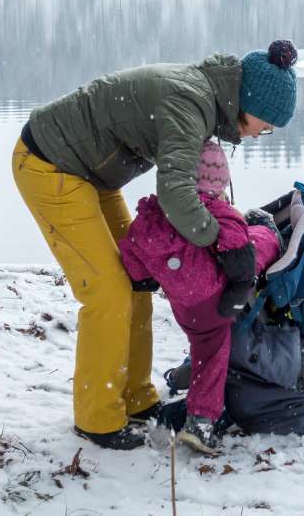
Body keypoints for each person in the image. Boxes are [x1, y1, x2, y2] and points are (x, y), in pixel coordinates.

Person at [11, 41, 298, 450]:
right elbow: (177, 195)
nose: (259, 134)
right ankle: (97, 417)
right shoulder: (190, 103)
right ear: (250, 104)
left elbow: (183, 197)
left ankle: (133, 396)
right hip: (51, 166)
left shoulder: (203, 97)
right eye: (265, 125)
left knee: (136, 282)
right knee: (108, 292)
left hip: (91, 175)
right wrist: (225, 245)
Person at [118, 140, 282, 454]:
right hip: (214, 303)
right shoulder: (221, 215)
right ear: (220, 186)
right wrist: (236, 297)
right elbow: (243, 260)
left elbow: (132, 251)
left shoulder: (153, 219)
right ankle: (201, 424)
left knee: (200, 346)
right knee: (212, 357)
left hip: (182, 305)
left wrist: (146, 279)